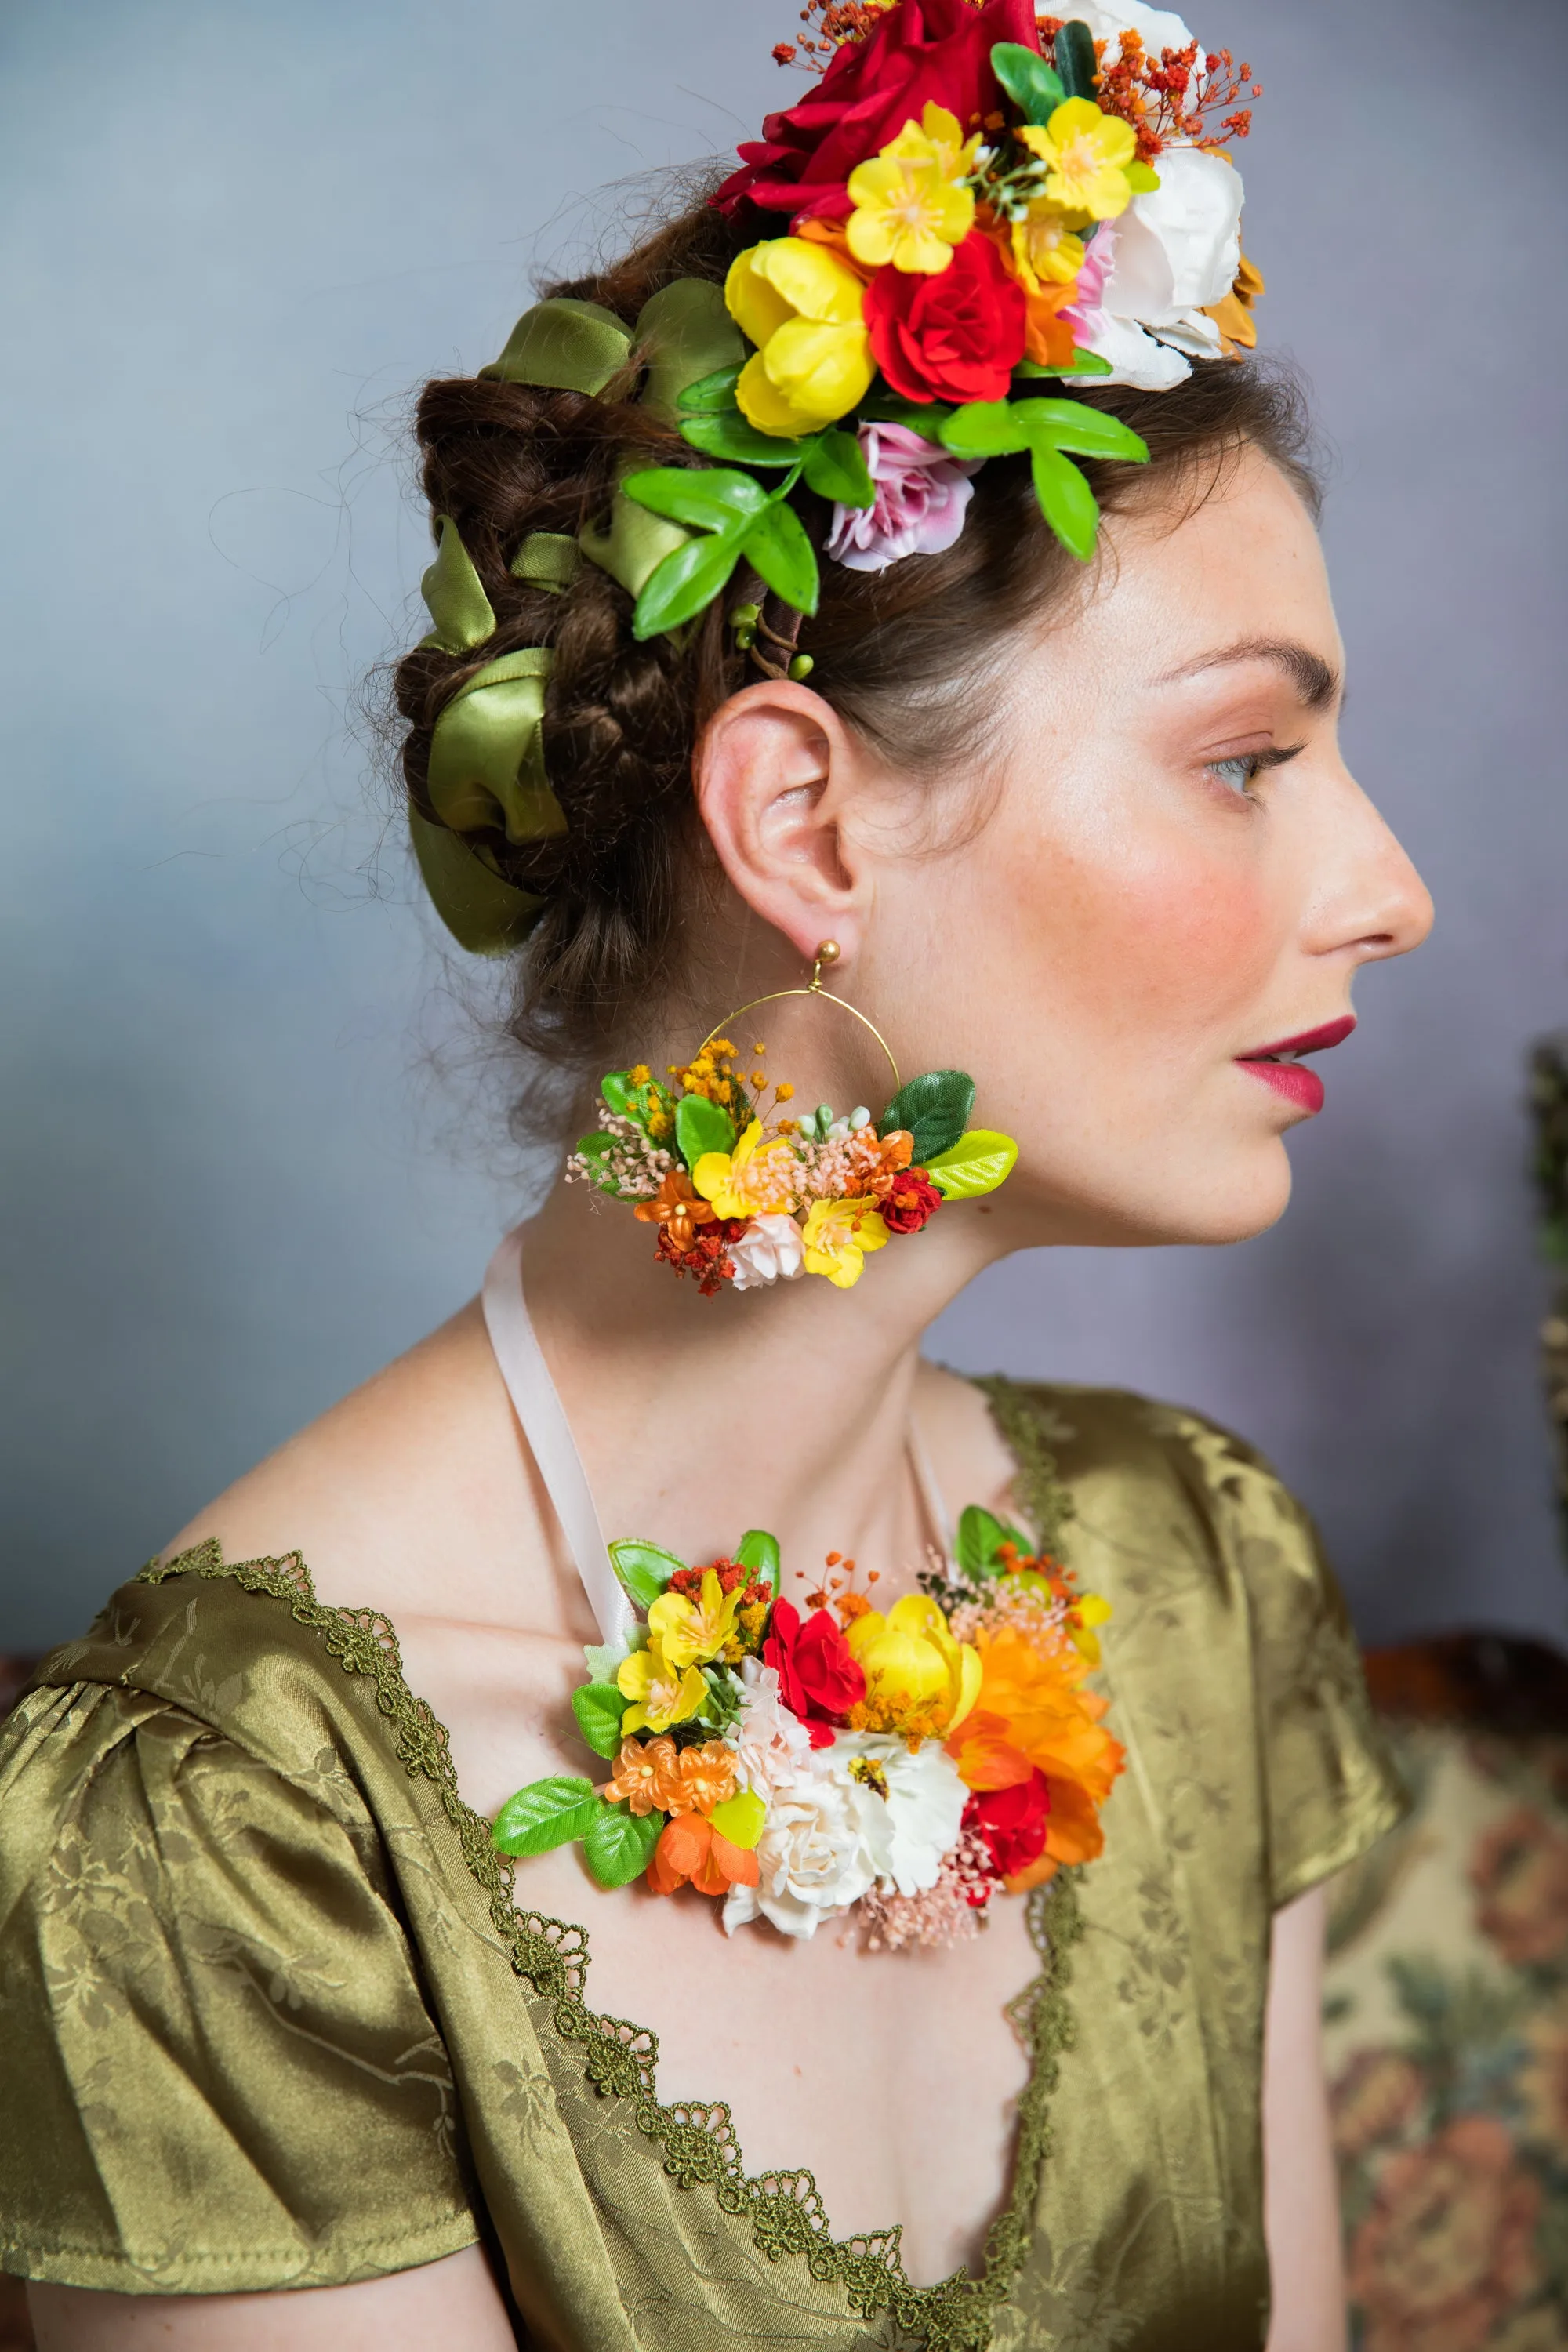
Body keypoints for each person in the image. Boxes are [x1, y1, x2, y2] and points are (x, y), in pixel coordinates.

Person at [0, 4, 1432, 2347]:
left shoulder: (1195, 1587)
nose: (1390, 888)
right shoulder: (241, 1825)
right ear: (800, 820)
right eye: (1251, 758)